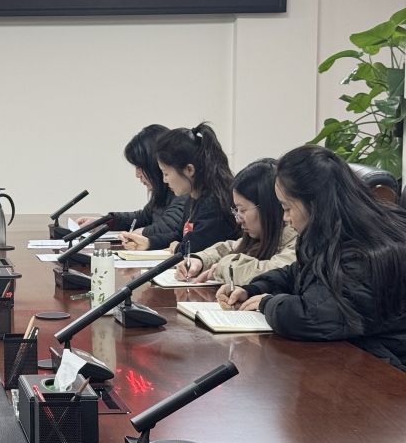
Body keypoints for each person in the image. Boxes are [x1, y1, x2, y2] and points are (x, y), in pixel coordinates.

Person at [219, 145, 406, 371]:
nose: (285, 218)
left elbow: (314, 317)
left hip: (387, 371)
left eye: (287, 208)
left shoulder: (365, 251)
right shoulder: (330, 233)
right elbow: (299, 272)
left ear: (315, 203)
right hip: (354, 357)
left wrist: (267, 303)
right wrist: (254, 289)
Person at [175, 158, 296, 285]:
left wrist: (224, 269)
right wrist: (200, 260)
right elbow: (230, 247)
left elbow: (272, 271)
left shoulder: (295, 240)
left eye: (243, 210)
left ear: (268, 207)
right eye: (236, 210)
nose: (238, 219)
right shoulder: (261, 236)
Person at [121, 122, 238, 254]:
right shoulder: (193, 199)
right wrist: (149, 243)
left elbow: (192, 246)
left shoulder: (213, 203)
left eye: (166, 174)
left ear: (189, 170)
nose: (164, 180)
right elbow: (179, 235)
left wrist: (177, 247)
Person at [77, 124, 187, 244]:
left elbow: (170, 227)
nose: (137, 175)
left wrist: (141, 233)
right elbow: (143, 218)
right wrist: (104, 222)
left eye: (140, 167)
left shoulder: (183, 189)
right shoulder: (163, 193)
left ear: (156, 165)